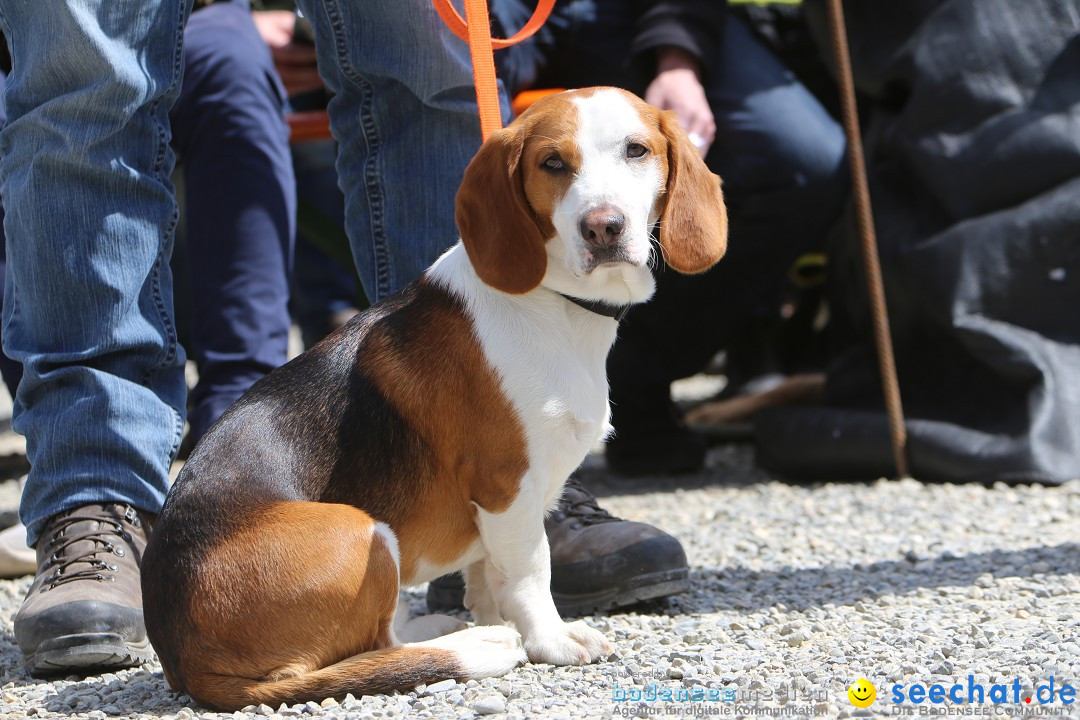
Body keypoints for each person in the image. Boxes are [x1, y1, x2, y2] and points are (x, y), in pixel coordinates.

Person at [0, 0, 685, 676]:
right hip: (258, 587)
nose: (601, 212)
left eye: (633, 154)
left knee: (425, 66)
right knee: (86, 86)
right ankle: (93, 499)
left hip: (266, 584)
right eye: (558, 168)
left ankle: (507, 513)